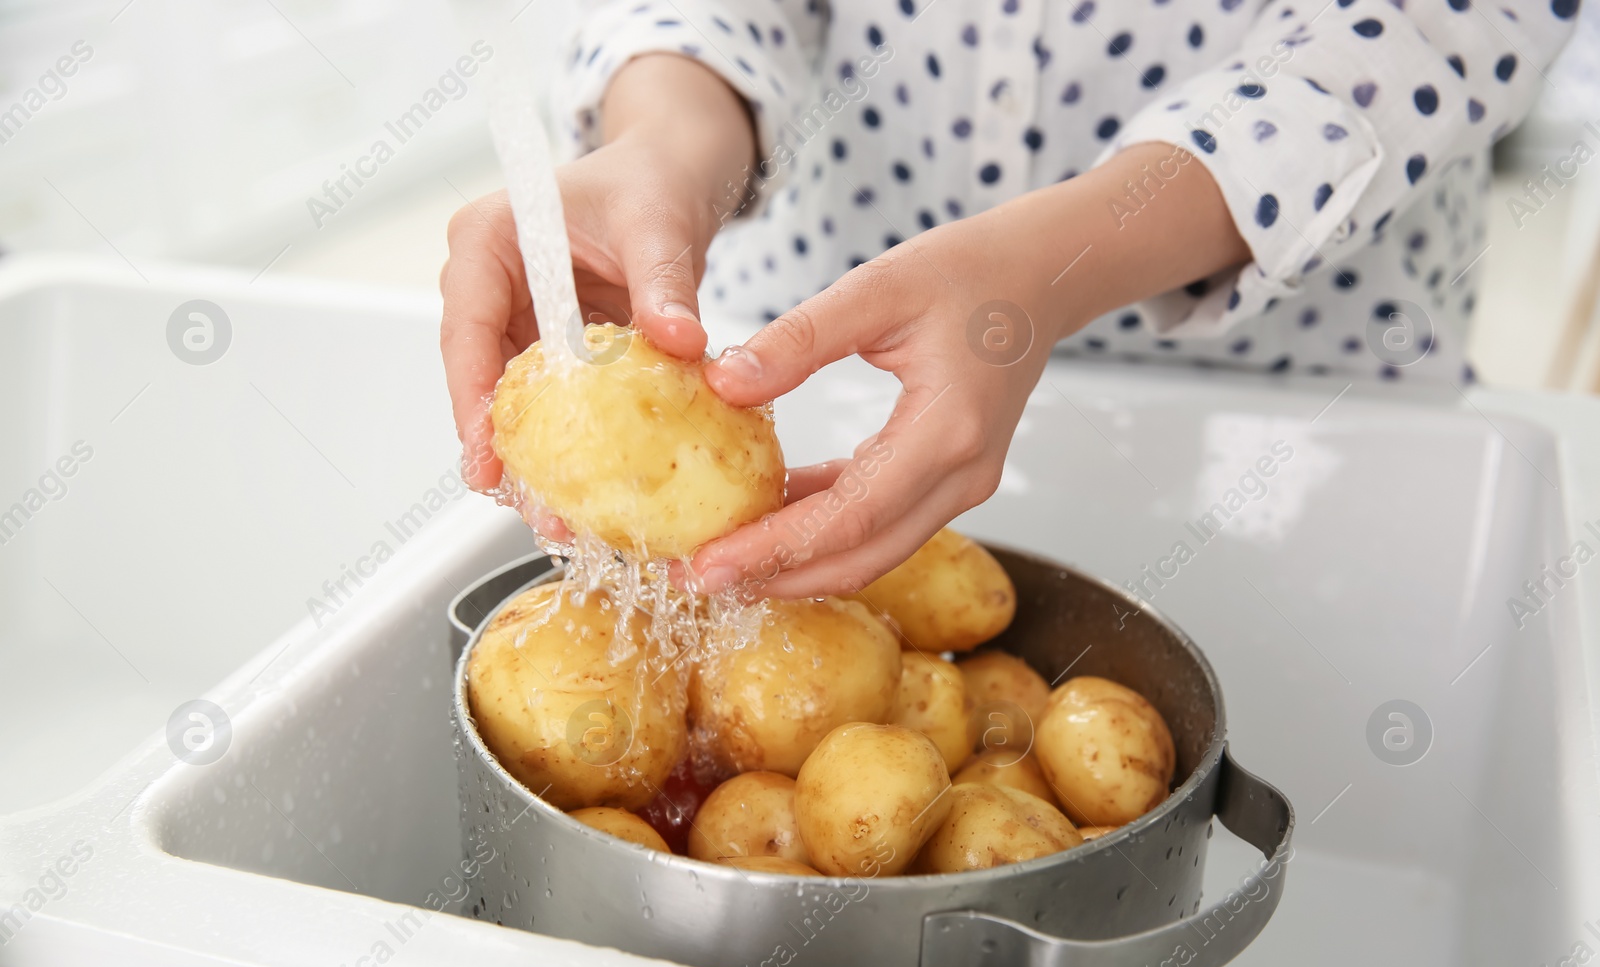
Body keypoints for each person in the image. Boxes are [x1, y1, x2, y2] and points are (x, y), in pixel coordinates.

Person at [440, 0, 1575, 599]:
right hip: (825, 376)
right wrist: (672, 145)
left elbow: (1437, 22)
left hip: (1298, 420)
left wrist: (1058, 264)